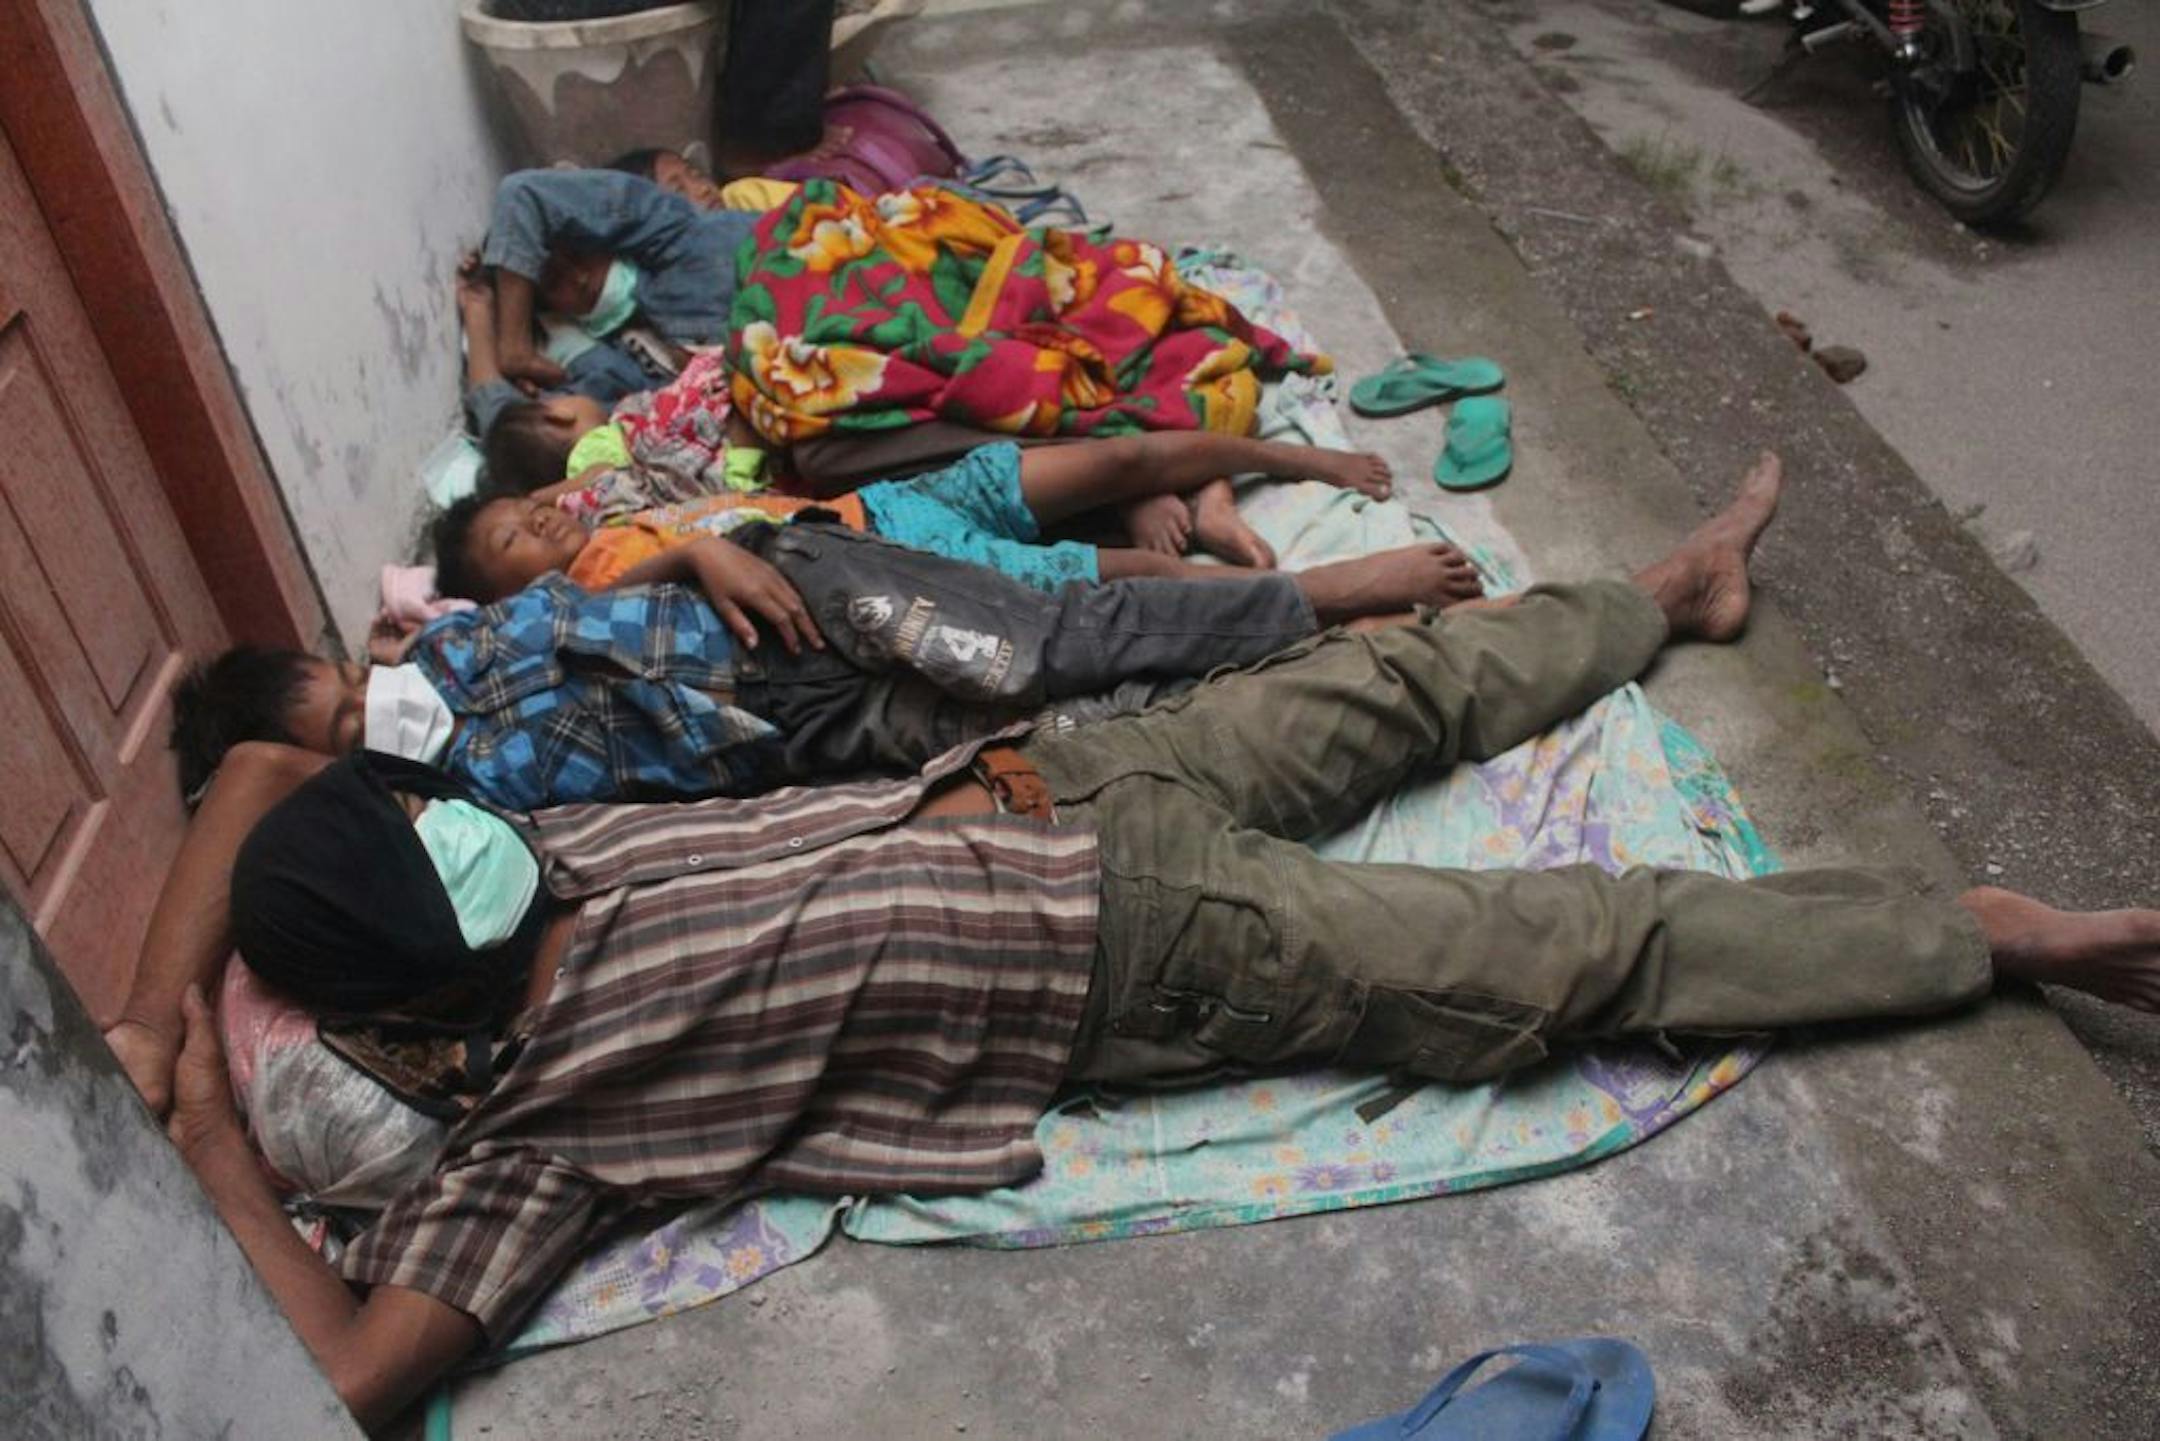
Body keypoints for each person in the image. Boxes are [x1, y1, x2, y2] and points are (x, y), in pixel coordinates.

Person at [172, 505, 1485, 811]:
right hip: (791, 739)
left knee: (1038, 643)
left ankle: (1311, 591)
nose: (379, 712)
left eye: (355, 689)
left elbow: (599, 589)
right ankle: (1313, 654)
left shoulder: (454, 643)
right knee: (1065, 730)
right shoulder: (461, 805)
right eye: (351, 733)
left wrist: (704, 552)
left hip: (785, 602)